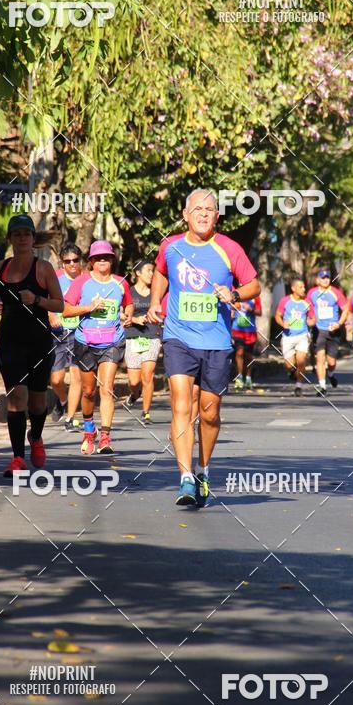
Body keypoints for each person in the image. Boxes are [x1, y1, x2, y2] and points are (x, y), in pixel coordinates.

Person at [148, 189, 260, 507]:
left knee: (209, 413)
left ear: (216, 216)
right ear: (185, 214)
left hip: (216, 342)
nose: (203, 214)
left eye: (209, 209)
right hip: (179, 337)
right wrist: (156, 301)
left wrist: (235, 294)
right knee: (181, 405)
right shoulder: (171, 246)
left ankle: (202, 470)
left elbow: (255, 284)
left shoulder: (229, 249)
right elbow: (160, 271)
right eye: (197, 208)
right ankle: (185, 479)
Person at [0, 214, 64, 477]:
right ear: (10, 238)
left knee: (37, 402)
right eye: (17, 234)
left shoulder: (43, 268)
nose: (22, 238)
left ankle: (36, 436)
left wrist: (36, 299)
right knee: (16, 398)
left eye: (26, 234)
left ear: (33, 239)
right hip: (10, 342)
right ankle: (17, 458)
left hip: (39, 342)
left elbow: (60, 304)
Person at [63, 240, 133, 455]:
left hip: (112, 341)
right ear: (91, 261)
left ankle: (105, 436)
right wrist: (88, 307)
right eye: (98, 258)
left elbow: (128, 303)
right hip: (85, 342)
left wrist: (128, 313)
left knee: (107, 389)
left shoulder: (121, 282)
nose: (102, 260)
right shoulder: (82, 282)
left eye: (106, 257)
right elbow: (65, 310)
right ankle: (88, 430)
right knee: (88, 391)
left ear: (112, 260)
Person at [48, 244, 83, 431]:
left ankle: (70, 418)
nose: (72, 264)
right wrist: (50, 315)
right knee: (56, 379)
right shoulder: (55, 278)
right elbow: (44, 300)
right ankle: (62, 400)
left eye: (75, 260)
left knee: (77, 376)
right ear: (62, 263)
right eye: (67, 261)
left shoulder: (87, 279)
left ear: (80, 261)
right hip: (59, 332)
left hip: (80, 333)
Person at [124, 260, 162, 424]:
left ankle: (146, 412)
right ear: (138, 273)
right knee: (134, 381)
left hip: (152, 335)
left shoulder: (157, 293)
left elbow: (163, 310)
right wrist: (133, 319)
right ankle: (134, 394)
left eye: (153, 271)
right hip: (132, 336)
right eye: (148, 270)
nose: (151, 274)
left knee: (148, 376)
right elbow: (121, 314)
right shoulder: (129, 292)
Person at [307, 268, 348, 396]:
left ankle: (331, 374)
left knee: (331, 362)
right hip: (319, 330)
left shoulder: (335, 293)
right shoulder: (312, 293)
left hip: (333, 330)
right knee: (320, 358)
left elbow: (345, 309)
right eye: (323, 278)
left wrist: (339, 324)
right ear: (317, 280)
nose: (326, 280)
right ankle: (322, 386)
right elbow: (307, 308)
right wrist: (309, 321)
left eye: (327, 278)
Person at [275, 278, 315, 396]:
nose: (304, 289)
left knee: (301, 361)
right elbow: (278, 315)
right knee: (289, 365)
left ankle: (299, 386)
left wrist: (310, 322)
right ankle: (292, 372)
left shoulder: (307, 302)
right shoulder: (285, 301)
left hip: (302, 335)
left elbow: (313, 318)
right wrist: (283, 324)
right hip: (288, 337)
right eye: (301, 287)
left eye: (304, 287)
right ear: (293, 288)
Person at [231, 296, 262, 389]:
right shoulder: (235, 295)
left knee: (248, 356)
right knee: (239, 352)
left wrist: (251, 309)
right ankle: (239, 377)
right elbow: (230, 307)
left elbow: (259, 312)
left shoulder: (255, 297)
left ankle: (248, 377)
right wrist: (231, 313)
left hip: (250, 332)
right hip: (237, 330)